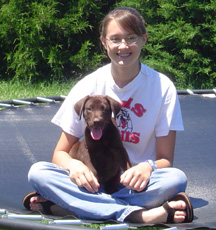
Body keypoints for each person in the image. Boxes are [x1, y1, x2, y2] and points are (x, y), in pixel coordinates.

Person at [23, 6, 193, 224]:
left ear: (144, 39)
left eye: (131, 38)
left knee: (176, 179)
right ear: (104, 42)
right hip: (90, 182)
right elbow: (60, 154)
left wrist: (147, 167)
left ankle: (77, 208)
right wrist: (76, 167)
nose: (123, 46)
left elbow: (166, 160)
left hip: (133, 185)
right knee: (38, 172)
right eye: (115, 39)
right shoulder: (88, 85)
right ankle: (136, 214)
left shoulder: (162, 87)